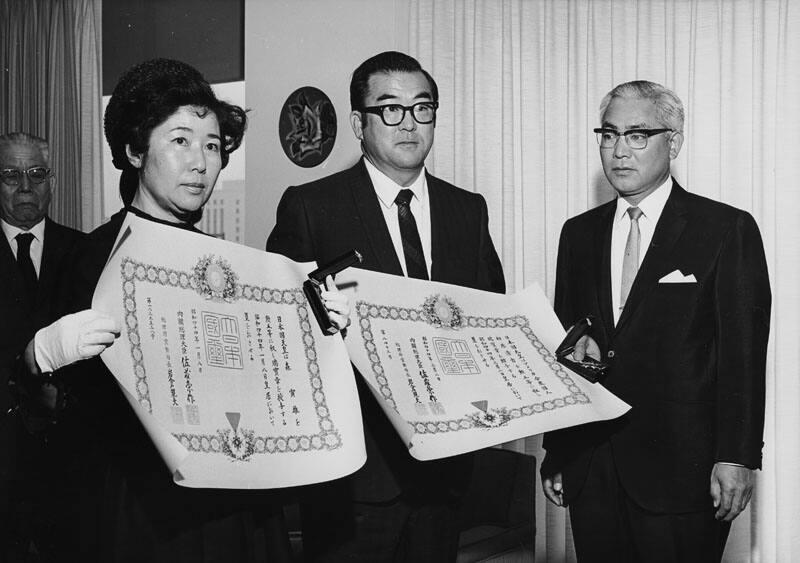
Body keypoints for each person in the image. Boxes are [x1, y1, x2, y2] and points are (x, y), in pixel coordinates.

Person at [18, 58, 350, 563]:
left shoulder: (230, 265)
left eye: (213, 146)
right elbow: (48, 408)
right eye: (180, 141)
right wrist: (39, 355)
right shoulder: (87, 259)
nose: (201, 162)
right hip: (139, 515)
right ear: (133, 150)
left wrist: (321, 333)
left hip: (235, 507)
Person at [267, 51, 505, 562]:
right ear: (358, 122)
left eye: (423, 108)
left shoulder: (468, 209)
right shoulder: (312, 206)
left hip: (444, 473)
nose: (409, 123)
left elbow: (489, 316)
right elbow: (278, 334)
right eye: (390, 109)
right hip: (352, 479)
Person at [540, 80, 771, 562]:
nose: (620, 150)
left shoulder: (725, 229)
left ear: (674, 142)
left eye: (638, 134)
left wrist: (736, 456)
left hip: (683, 472)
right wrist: (558, 450)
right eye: (609, 134)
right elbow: (564, 348)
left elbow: (743, 355)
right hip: (592, 467)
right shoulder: (577, 235)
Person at [0, 132, 84, 560]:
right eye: (11, 175)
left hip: (68, 464)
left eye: (36, 174)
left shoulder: (84, 253)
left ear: (52, 181)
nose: (26, 187)